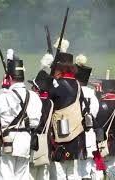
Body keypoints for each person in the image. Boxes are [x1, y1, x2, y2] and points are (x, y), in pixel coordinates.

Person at [0, 50, 42, 180]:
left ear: (8, 78)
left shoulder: (4, 97)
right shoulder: (34, 97)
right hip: (26, 142)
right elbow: (35, 122)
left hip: (8, 142)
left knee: (5, 176)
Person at [49, 52, 84, 180]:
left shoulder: (55, 84)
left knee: (58, 170)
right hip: (76, 132)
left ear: (60, 68)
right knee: (73, 170)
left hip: (59, 132)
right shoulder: (78, 85)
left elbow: (48, 102)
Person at [74, 54, 102, 180]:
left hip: (77, 134)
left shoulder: (74, 94)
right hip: (90, 134)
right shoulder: (93, 96)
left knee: (78, 170)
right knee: (89, 167)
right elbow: (94, 114)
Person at [28, 70, 55, 180]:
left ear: (36, 88)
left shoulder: (33, 101)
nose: (31, 88)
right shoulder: (50, 103)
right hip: (46, 145)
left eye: (33, 86)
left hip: (33, 143)